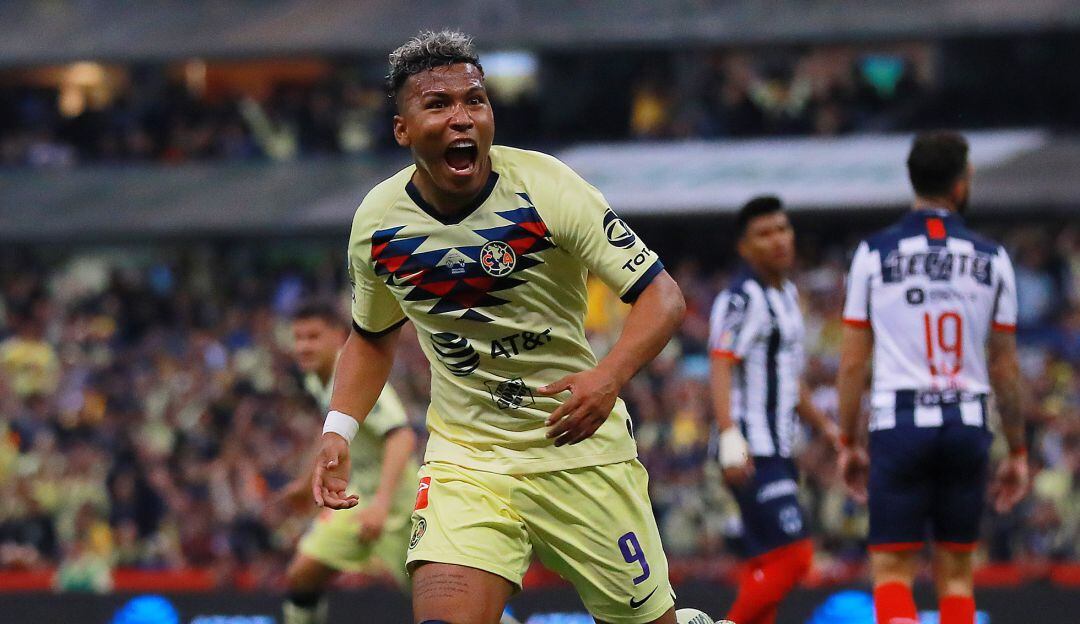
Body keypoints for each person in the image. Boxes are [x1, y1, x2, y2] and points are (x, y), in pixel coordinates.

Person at [311, 30, 687, 624]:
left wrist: (609, 376)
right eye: (438, 104)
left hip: (578, 449)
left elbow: (662, 297)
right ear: (402, 129)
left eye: (475, 101)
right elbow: (372, 337)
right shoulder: (379, 224)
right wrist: (339, 428)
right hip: (467, 459)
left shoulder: (546, 187)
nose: (462, 118)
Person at [835, 131, 1029, 624]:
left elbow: (853, 362)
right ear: (961, 184)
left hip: (899, 422)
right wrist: (1018, 450)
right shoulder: (993, 258)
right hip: (966, 423)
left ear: (913, 181)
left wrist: (848, 442)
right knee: (958, 574)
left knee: (892, 572)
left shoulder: (873, 254)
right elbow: (1005, 365)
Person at [708, 196, 840, 624]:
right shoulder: (741, 298)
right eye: (764, 234)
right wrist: (730, 435)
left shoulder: (786, 295)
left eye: (783, 229)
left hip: (778, 445)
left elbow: (787, 378)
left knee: (764, 562)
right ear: (744, 248)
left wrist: (825, 428)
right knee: (796, 556)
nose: (778, 240)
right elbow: (721, 361)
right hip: (750, 446)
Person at [281, 301, 418, 624]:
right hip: (356, 500)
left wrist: (382, 504)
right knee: (302, 575)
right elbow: (333, 436)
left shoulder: (357, 375)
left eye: (313, 337)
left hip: (399, 507)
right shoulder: (318, 379)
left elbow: (402, 437)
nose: (303, 347)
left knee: (443, 604)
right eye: (298, 338)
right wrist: (306, 483)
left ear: (339, 336)